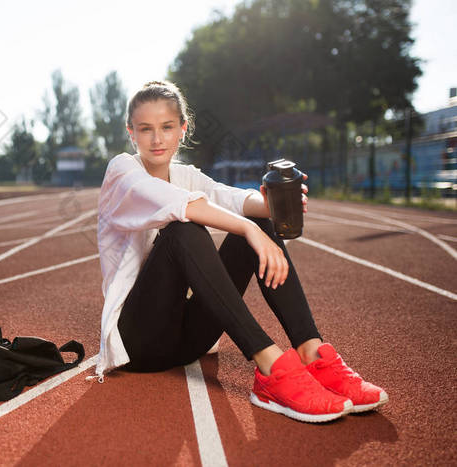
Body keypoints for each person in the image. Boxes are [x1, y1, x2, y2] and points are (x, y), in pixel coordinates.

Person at [92, 79, 388, 423]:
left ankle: (311, 352)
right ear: (131, 133)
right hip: (139, 343)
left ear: (182, 130)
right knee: (183, 229)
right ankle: (271, 367)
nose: (157, 139)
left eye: (166, 127)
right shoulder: (122, 170)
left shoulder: (185, 174)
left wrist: (274, 204)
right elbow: (178, 203)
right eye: (145, 129)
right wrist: (246, 227)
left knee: (260, 224)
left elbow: (228, 196)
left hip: (189, 342)